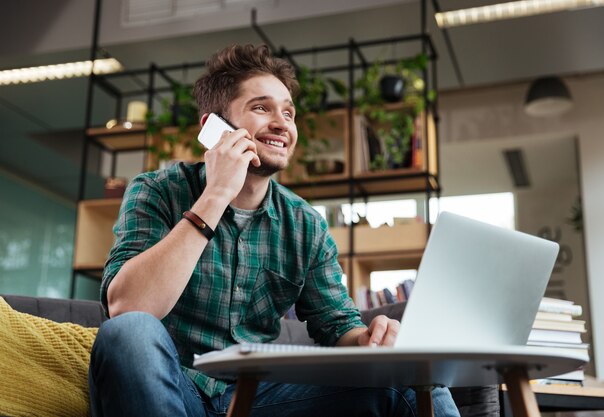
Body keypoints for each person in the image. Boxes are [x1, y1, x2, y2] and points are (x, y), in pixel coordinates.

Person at [88, 44, 460, 417]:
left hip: (260, 399)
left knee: (416, 377)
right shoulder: (158, 190)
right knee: (129, 333)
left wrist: (371, 339)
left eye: (288, 112)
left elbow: (337, 325)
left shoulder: (305, 225)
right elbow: (128, 308)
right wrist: (216, 196)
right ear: (212, 128)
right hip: (173, 387)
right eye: (261, 108)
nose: (282, 123)